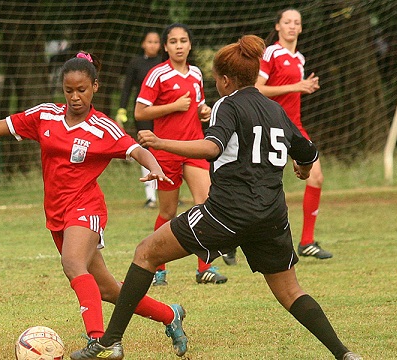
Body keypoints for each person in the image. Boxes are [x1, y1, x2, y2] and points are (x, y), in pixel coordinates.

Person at [70, 35, 362, 360]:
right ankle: (345, 354)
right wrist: (304, 170)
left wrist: (162, 142)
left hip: (228, 212)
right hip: (272, 216)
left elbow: (213, 147)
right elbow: (307, 151)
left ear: (225, 80)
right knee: (291, 292)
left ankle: (110, 340)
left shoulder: (228, 103)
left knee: (146, 252)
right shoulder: (275, 109)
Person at [0, 52, 189, 359]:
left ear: (95, 88)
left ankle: (100, 341)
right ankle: (170, 315)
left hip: (86, 208)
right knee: (108, 291)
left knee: (73, 264)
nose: (75, 97)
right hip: (57, 213)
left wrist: (154, 165)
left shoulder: (103, 127)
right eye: (69, 90)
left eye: (82, 90)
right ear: (62, 89)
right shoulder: (45, 116)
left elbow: (134, 149)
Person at [133, 23, 230, 286]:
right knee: (168, 212)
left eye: (183, 41)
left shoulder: (197, 73)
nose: (178, 45)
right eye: (173, 41)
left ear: (189, 45)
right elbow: (140, 112)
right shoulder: (157, 75)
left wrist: (204, 110)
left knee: (206, 204)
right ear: (166, 47)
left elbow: (197, 104)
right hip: (166, 149)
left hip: (194, 147)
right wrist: (173, 106)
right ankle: (158, 268)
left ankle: (205, 268)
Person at [255, 8, 332, 259]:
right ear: (278, 26)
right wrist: (297, 85)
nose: (291, 26)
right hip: (269, 124)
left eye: (296, 22)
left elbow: (291, 93)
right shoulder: (270, 53)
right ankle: (232, 241)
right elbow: (257, 89)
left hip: (293, 125)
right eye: (287, 22)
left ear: (300, 28)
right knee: (257, 183)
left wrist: (304, 86)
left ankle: (307, 241)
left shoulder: (299, 58)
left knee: (316, 176)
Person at [115, 30, 162, 209]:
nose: (152, 45)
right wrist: (122, 109)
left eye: (156, 42)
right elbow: (126, 88)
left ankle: (168, 191)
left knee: (165, 150)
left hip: (162, 114)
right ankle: (151, 196)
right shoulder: (135, 63)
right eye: (149, 41)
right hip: (142, 113)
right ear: (143, 43)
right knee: (146, 149)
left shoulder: (163, 64)